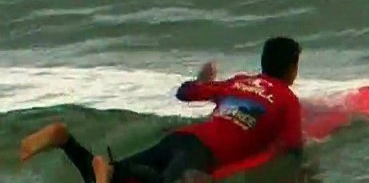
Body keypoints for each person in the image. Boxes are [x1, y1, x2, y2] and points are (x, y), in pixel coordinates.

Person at [18, 37, 305, 183]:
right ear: (292, 68)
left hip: (181, 138)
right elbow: (293, 148)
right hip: (204, 153)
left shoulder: (239, 82)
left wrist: (202, 80)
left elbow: (186, 93)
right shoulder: (287, 99)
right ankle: (111, 169)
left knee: (103, 179)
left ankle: (65, 140)